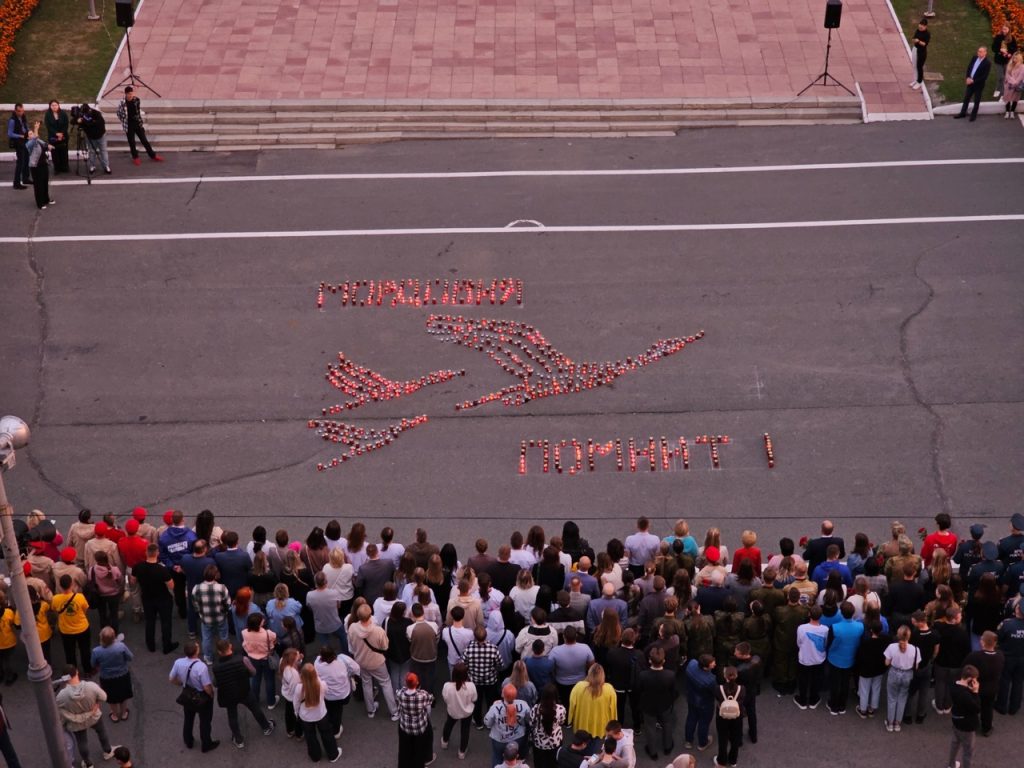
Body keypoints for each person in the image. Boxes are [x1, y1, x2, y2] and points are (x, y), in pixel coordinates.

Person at [211, 638, 274, 749]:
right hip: (244, 690)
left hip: (228, 694)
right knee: (255, 709)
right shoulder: (242, 659)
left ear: (219, 652)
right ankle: (266, 727)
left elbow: (215, 683)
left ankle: (238, 739)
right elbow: (253, 672)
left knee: (232, 716)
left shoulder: (216, 666)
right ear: (230, 646)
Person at [347, 603, 398, 719]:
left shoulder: (352, 628)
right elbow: (385, 647)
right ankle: (394, 712)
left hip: (361, 662)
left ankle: (370, 710)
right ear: (370, 615)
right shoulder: (378, 631)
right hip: (377, 663)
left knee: (366, 684)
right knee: (386, 684)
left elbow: (351, 645)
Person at [168, 640, 219, 752]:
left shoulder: (178, 662)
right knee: (205, 721)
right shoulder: (201, 667)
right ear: (196, 652)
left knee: (188, 718)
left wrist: (181, 683)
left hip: (188, 693)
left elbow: (171, 678)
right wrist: (211, 694)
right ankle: (206, 744)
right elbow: (206, 686)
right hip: (201, 696)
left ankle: (188, 741)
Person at [293, 662, 341, 763]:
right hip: (321, 714)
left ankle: (315, 757)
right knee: (327, 734)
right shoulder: (321, 684)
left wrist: (297, 713)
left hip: (306, 718)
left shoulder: (298, 688)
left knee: (310, 737)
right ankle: (333, 755)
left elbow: (296, 703)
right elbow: (326, 692)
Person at [638, 646, 677, 759]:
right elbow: (673, 691)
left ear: (650, 660)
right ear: (663, 661)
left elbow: (639, 689)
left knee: (650, 728)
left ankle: (652, 752)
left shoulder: (643, 675)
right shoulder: (670, 675)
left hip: (648, 705)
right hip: (665, 704)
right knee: (667, 724)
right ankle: (667, 747)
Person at [314, 644, 360, 738]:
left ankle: (330, 724)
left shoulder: (317, 664)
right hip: (342, 694)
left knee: (330, 709)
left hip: (327, 695)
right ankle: (336, 730)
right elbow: (356, 668)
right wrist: (349, 674)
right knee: (338, 711)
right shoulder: (343, 659)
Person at [90, 627, 133, 723]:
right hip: (123, 674)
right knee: (123, 694)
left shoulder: (96, 651)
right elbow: (130, 657)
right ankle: (124, 713)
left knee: (111, 697)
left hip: (107, 677)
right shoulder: (121, 646)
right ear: (114, 638)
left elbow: (93, 664)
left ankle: (115, 714)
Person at [484, 683, 532, 768]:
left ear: (503, 694)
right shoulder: (523, 704)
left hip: (499, 739)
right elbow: (529, 719)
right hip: (518, 737)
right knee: (516, 757)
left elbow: (487, 723)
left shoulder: (495, 707)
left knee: (497, 757)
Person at [51, 573, 92, 669]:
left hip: (66, 630)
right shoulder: (80, 597)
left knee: (69, 652)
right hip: (82, 628)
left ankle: (73, 672)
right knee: (85, 650)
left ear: (60, 586)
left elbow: (54, 610)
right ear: (71, 584)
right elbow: (85, 609)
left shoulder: (55, 598)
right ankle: (87, 670)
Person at [116, 86, 163, 165]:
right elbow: (118, 113)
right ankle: (135, 157)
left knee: (144, 140)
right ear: (126, 94)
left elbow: (137, 111)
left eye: (131, 93)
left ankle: (152, 155)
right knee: (132, 142)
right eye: (129, 94)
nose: (130, 95)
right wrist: (124, 118)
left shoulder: (136, 100)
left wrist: (139, 122)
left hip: (137, 123)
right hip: (128, 125)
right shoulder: (122, 103)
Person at [396, 672, 435, 768]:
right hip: (419, 727)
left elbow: (398, 695)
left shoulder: (400, 694)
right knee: (419, 750)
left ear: (406, 683)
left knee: (404, 750)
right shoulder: (422, 695)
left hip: (405, 726)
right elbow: (431, 700)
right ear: (417, 683)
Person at [442, 661, 478, 759]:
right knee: (465, 730)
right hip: (467, 712)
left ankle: (444, 741)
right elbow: (474, 699)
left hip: (453, 711)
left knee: (448, 725)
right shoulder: (471, 686)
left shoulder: (447, 686)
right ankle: (462, 752)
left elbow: (445, 698)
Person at [949, 664, 980, 768]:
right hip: (967, 726)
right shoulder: (965, 694)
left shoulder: (954, 685)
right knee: (968, 751)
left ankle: (951, 764)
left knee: (955, 743)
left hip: (956, 720)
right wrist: (975, 692)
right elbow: (976, 708)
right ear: (970, 679)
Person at [713, 666, 744, 768]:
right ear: (736, 676)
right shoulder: (742, 689)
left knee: (723, 739)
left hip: (722, 717)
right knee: (735, 739)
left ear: (725, 676)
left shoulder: (718, 689)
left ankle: (721, 760)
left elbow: (717, 699)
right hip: (736, 717)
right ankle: (733, 760)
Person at [683, 654, 716, 751]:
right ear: (706, 667)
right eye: (712, 664)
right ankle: (702, 743)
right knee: (704, 723)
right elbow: (714, 692)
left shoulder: (691, 664)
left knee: (691, 718)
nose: (714, 664)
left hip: (691, 698)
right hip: (705, 703)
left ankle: (688, 741)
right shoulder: (710, 680)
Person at [529, 683, 566, 768]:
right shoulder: (561, 709)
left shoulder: (535, 708)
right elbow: (562, 722)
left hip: (539, 742)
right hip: (555, 742)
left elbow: (531, 723)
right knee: (553, 763)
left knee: (539, 763)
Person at [955, 47, 992, 121]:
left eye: (981, 52)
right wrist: (967, 77)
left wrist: (973, 81)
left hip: (978, 85)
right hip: (970, 82)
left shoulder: (987, 63)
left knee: (976, 100)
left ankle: (973, 115)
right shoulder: (974, 58)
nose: (979, 53)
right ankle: (963, 113)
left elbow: (984, 76)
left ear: (985, 53)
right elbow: (969, 68)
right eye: (978, 51)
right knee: (966, 98)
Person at [74, 104, 112, 175]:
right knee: (91, 151)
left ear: (90, 110)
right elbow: (73, 121)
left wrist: (85, 121)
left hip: (101, 136)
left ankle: (106, 166)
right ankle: (92, 166)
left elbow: (98, 123)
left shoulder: (96, 114)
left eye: (87, 113)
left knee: (103, 151)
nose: (86, 114)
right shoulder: (82, 115)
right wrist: (77, 120)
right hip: (90, 137)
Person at [24, 125, 55, 210]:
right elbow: (35, 138)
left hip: (43, 164)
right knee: (38, 185)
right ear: (27, 138)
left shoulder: (38, 140)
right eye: (30, 134)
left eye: (32, 133)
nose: (32, 134)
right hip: (35, 166)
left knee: (45, 182)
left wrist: (49, 146)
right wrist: (36, 129)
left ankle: (46, 199)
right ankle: (40, 203)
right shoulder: (28, 144)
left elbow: (44, 144)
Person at [6, 104, 30, 190]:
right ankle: (16, 183)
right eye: (19, 111)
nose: (21, 113)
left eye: (22, 111)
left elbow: (25, 127)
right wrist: (21, 136)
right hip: (18, 143)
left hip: (25, 141)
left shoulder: (23, 117)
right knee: (20, 162)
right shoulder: (12, 120)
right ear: (15, 111)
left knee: (27, 159)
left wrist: (29, 133)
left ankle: (25, 178)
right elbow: (10, 133)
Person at [43, 100, 70, 174]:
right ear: (50, 106)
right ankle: (57, 168)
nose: (54, 107)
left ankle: (64, 167)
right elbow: (48, 126)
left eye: (55, 105)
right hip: (53, 137)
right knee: (55, 153)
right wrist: (56, 134)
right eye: (52, 105)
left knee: (64, 152)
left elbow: (66, 124)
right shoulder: (48, 115)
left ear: (58, 105)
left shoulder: (63, 113)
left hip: (63, 136)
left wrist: (61, 133)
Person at [992, 24, 1018, 99]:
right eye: (1003, 29)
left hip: (1007, 61)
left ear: (1009, 29)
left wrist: (1009, 53)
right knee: (1001, 77)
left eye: (1006, 29)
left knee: (1006, 77)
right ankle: (1000, 91)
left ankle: (1002, 92)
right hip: (998, 60)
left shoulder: (1012, 38)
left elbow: (1015, 49)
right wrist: (1000, 50)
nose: (1004, 31)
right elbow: (993, 48)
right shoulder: (998, 37)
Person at [910, 19, 930, 90]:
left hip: (921, 52)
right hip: (915, 49)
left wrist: (918, 41)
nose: (921, 26)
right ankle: (915, 80)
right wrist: (914, 40)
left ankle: (919, 81)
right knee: (914, 65)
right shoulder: (917, 30)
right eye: (920, 24)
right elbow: (913, 38)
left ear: (926, 26)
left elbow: (925, 44)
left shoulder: (927, 34)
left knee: (919, 67)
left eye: (923, 25)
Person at [1002, 51, 1024, 118]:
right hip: (1008, 85)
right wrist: (1013, 82)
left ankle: (1012, 112)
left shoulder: (1022, 66)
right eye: (1014, 58)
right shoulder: (1009, 65)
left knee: (1015, 99)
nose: (1014, 59)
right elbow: (1007, 75)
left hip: (1017, 86)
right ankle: (1007, 111)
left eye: (1016, 58)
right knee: (1007, 98)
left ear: (1019, 59)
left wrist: (1015, 82)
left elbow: (1021, 76)